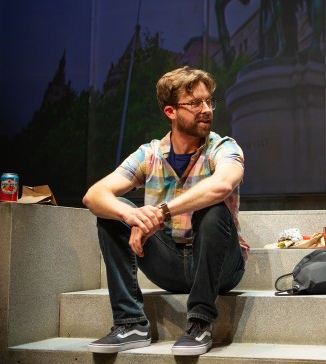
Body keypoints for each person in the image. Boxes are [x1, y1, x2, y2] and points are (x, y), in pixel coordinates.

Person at [82, 66, 248, 356]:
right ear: (170, 111)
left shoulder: (222, 147)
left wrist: (160, 212)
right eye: (195, 103)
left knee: (213, 210)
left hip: (221, 267)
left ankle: (199, 322)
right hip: (168, 262)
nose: (206, 110)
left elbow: (222, 184)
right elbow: (93, 195)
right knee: (113, 213)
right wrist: (131, 216)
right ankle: (130, 323)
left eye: (209, 101)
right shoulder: (150, 154)